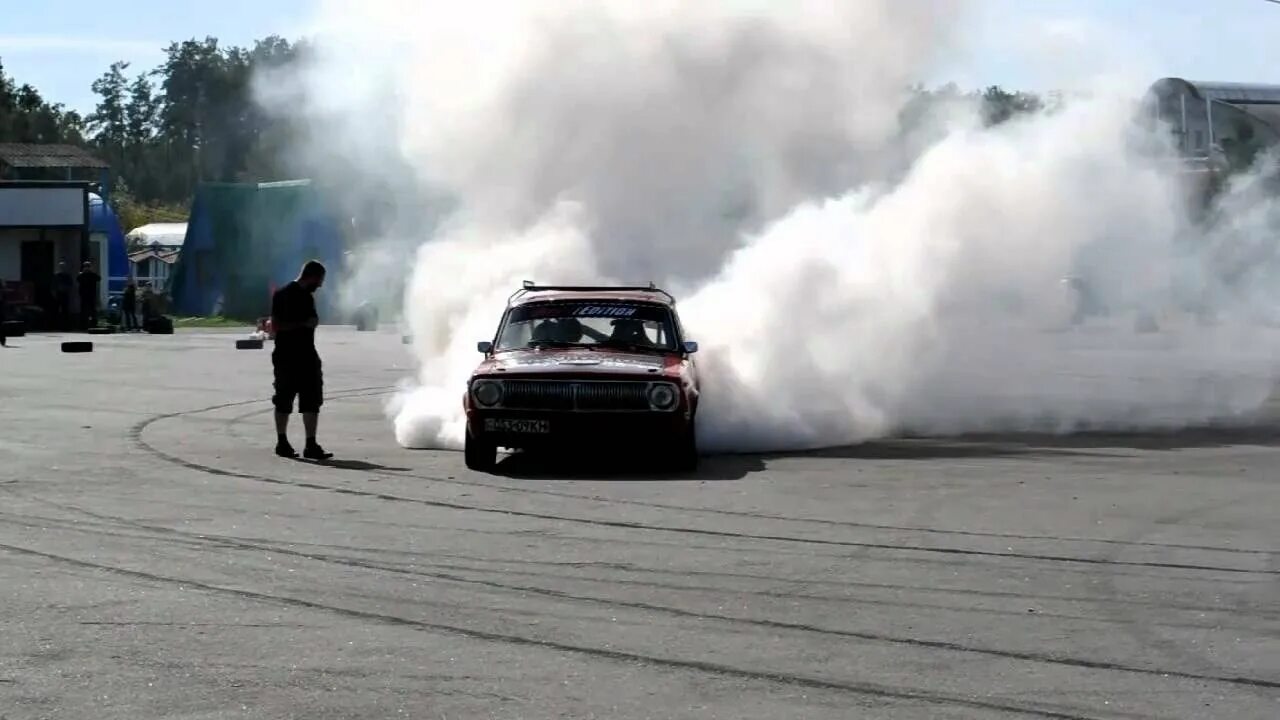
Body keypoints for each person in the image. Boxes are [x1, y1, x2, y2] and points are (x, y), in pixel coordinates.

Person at [270, 260, 332, 460]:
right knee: (283, 399)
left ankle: (310, 443)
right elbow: (276, 326)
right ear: (311, 276)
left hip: (307, 355)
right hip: (287, 356)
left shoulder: (307, 297)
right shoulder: (283, 295)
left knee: (312, 400)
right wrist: (303, 323)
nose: (320, 285)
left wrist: (312, 322)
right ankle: (282, 441)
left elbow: (312, 321)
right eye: (319, 280)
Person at [76, 261, 100, 330]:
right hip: (84, 295)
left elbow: (99, 278)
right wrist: (82, 273)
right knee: (84, 310)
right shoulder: (82, 275)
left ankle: (93, 324)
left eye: (88, 267)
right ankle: (83, 325)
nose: (87, 268)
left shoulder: (92, 275)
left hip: (91, 295)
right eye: (85, 267)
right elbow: (77, 279)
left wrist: (92, 272)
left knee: (92, 310)